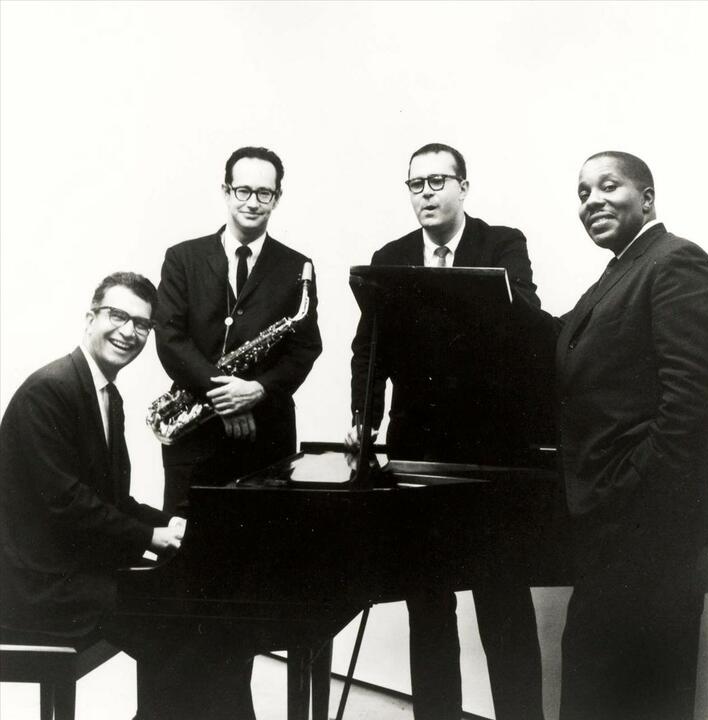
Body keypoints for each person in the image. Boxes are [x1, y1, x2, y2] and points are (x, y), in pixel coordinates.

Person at [0, 272, 257, 719]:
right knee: (178, 621)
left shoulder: (106, 395)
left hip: (72, 573)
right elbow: (66, 503)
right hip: (35, 585)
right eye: (117, 315)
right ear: (90, 318)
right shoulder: (49, 390)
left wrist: (169, 523)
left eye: (141, 324)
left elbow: (113, 500)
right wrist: (150, 537)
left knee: (211, 616)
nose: (128, 331)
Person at [348, 143, 546, 720]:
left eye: (438, 181)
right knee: (427, 603)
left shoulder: (502, 244)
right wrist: (364, 418)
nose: (427, 193)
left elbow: (524, 326)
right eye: (416, 184)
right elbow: (369, 349)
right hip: (418, 449)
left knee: (502, 600)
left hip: (491, 453)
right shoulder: (390, 257)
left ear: (464, 186)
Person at [557, 151, 708, 720]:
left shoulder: (675, 262)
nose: (592, 201)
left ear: (647, 198)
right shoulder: (621, 270)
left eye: (609, 186)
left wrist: (626, 489)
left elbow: (693, 404)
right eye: (583, 193)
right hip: (617, 532)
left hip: (650, 534)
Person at [156, 146, 322, 514]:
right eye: (243, 190)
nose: (252, 202)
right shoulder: (182, 258)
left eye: (264, 193)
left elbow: (305, 349)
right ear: (226, 191)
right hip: (194, 432)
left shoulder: (299, 267)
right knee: (188, 542)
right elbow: (169, 338)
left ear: (277, 197)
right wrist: (226, 397)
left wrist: (258, 390)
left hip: (266, 437)